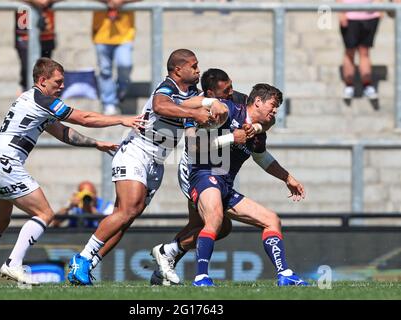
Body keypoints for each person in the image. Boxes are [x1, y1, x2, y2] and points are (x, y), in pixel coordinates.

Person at [0, 57, 144, 286]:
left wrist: (96, 144)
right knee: (44, 214)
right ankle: (13, 264)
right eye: (58, 82)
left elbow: (63, 133)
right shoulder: (43, 100)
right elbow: (84, 118)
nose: (62, 86)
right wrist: (120, 119)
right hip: (6, 162)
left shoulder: (33, 101)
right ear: (42, 80)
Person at [67, 49, 228, 285]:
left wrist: (212, 115)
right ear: (177, 70)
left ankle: (88, 265)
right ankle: (81, 259)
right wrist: (197, 111)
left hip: (157, 162)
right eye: (193, 66)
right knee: (127, 210)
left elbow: (197, 119)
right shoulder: (168, 88)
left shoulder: (191, 93)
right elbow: (161, 106)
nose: (197, 69)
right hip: (136, 151)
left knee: (126, 217)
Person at [154, 83, 308, 287]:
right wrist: (226, 129)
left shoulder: (258, 134)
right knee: (215, 218)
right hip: (203, 174)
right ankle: (201, 277)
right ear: (258, 102)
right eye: (273, 105)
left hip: (224, 185)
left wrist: (288, 178)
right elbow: (192, 133)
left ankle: (285, 274)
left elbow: (262, 159)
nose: (275, 111)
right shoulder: (229, 110)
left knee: (272, 220)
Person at [150, 68, 253, 286]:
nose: (231, 93)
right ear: (209, 92)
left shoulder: (234, 99)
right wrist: (209, 106)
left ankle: (163, 265)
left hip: (213, 172)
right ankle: (168, 253)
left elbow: (254, 111)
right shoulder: (197, 107)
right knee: (218, 225)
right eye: (226, 90)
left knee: (201, 226)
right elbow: (193, 145)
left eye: (231, 87)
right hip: (194, 171)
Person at [92, 0, 142, 115]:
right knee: (105, 70)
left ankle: (122, 87)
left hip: (125, 34)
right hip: (101, 33)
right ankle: (109, 102)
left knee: (125, 64)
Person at [338, 0, 382, 100]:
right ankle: (349, 85)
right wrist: (341, 12)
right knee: (350, 51)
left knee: (364, 51)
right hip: (350, 15)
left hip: (370, 15)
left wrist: (379, 4)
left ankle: (367, 84)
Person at [15, 0, 62, 92]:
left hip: (47, 32)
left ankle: (41, 102)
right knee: (27, 73)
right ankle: (28, 101)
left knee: (46, 74)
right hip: (24, 31)